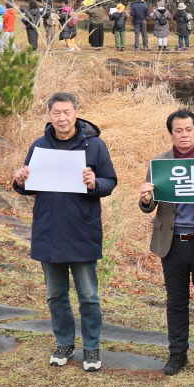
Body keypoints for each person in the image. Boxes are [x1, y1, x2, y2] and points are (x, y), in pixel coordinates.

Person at [12, 92, 118, 371]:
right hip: (49, 228)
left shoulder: (94, 145)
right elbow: (29, 185)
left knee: (88, 295)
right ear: (49, 115)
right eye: (56, 112)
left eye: (67, 112)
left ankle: (91, 347)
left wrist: (95, 182)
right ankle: (64, 343)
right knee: (55, 294)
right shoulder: (39, 146)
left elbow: (110, 181)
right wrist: (20, 181)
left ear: (76, 112)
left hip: (82, 228)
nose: (62, 117)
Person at [138, 109, 194, 375]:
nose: (184, 135)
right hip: (172, 241)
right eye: (178, 130)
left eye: (188, 129)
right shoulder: (159, 162)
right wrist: (145, 199)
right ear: (171, 134)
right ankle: (177, 354)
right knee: (175, 302)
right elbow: (149, 203)